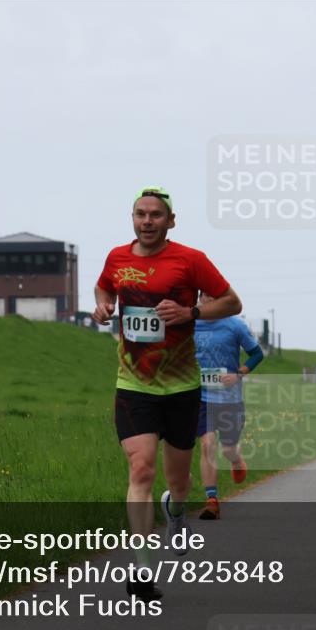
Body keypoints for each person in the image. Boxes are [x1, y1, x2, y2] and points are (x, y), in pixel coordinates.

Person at [93, 186, 242, 601]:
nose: (147, 221)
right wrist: (103, 306)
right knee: (140, 470)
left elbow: (232, 302)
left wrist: (190, 311)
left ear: (170, 221)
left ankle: (175, 511)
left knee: (179, 483)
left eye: (156, 215)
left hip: (181, 386)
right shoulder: (117, 258)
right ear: (133, 219)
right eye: (140, 214)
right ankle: (141, 571)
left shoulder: (190, 260)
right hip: (133, 384)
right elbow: (103, 287)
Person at [194, 295, 265, 520]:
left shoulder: (234, 324)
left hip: (229, 398)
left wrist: (239, 374)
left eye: (213, 295)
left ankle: (235, 459)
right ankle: (211, 500)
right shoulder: (190, 323)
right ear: (199, 298)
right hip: (201, 396)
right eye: (204, 295)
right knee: (207, 444)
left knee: (227, 449)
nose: (208, 299)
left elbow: (257, 353)